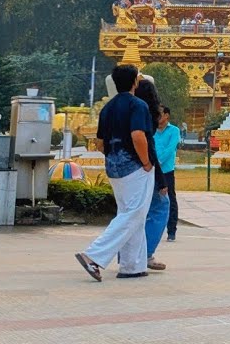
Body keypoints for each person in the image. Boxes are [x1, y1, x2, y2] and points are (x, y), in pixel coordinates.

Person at [74, 65, 155, 281]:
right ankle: (93, 255)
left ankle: (132, 266)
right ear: (135, 82)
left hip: (114, 167)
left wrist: (113, 156)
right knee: (133, 213)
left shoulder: (107, 108)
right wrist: (146, 162)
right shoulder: (138, 105)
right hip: (135, 167)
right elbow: (138, 135)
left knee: (130, 213)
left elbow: (100, 143)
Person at [135, 80, 170, 272]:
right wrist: (159, 177)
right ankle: (146, 253)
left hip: (123, 168)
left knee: (135, 213)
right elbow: (148, 146)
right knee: (161, 207)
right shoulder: (145, 113)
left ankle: (132, 254)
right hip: (144, 168)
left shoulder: (124, 108)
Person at [153, 104, 180, 242]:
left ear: (167, 115)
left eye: (160, 114)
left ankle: (171, 231)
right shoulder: (151, 131)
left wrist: (156, 162)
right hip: (150, 170)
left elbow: (170, 149)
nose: (157, 117)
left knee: (170, 199)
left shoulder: (174, 131)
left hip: (166, 170)